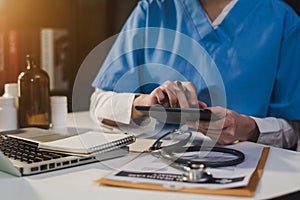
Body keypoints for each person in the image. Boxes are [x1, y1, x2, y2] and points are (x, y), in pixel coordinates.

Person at [90, 0, 300, 150]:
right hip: (153, 167)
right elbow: (100, 105)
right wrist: (145, 103)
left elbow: (293, 130)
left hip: (244, 169)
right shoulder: (152, 9)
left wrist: (247, 128)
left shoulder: (281, 20)